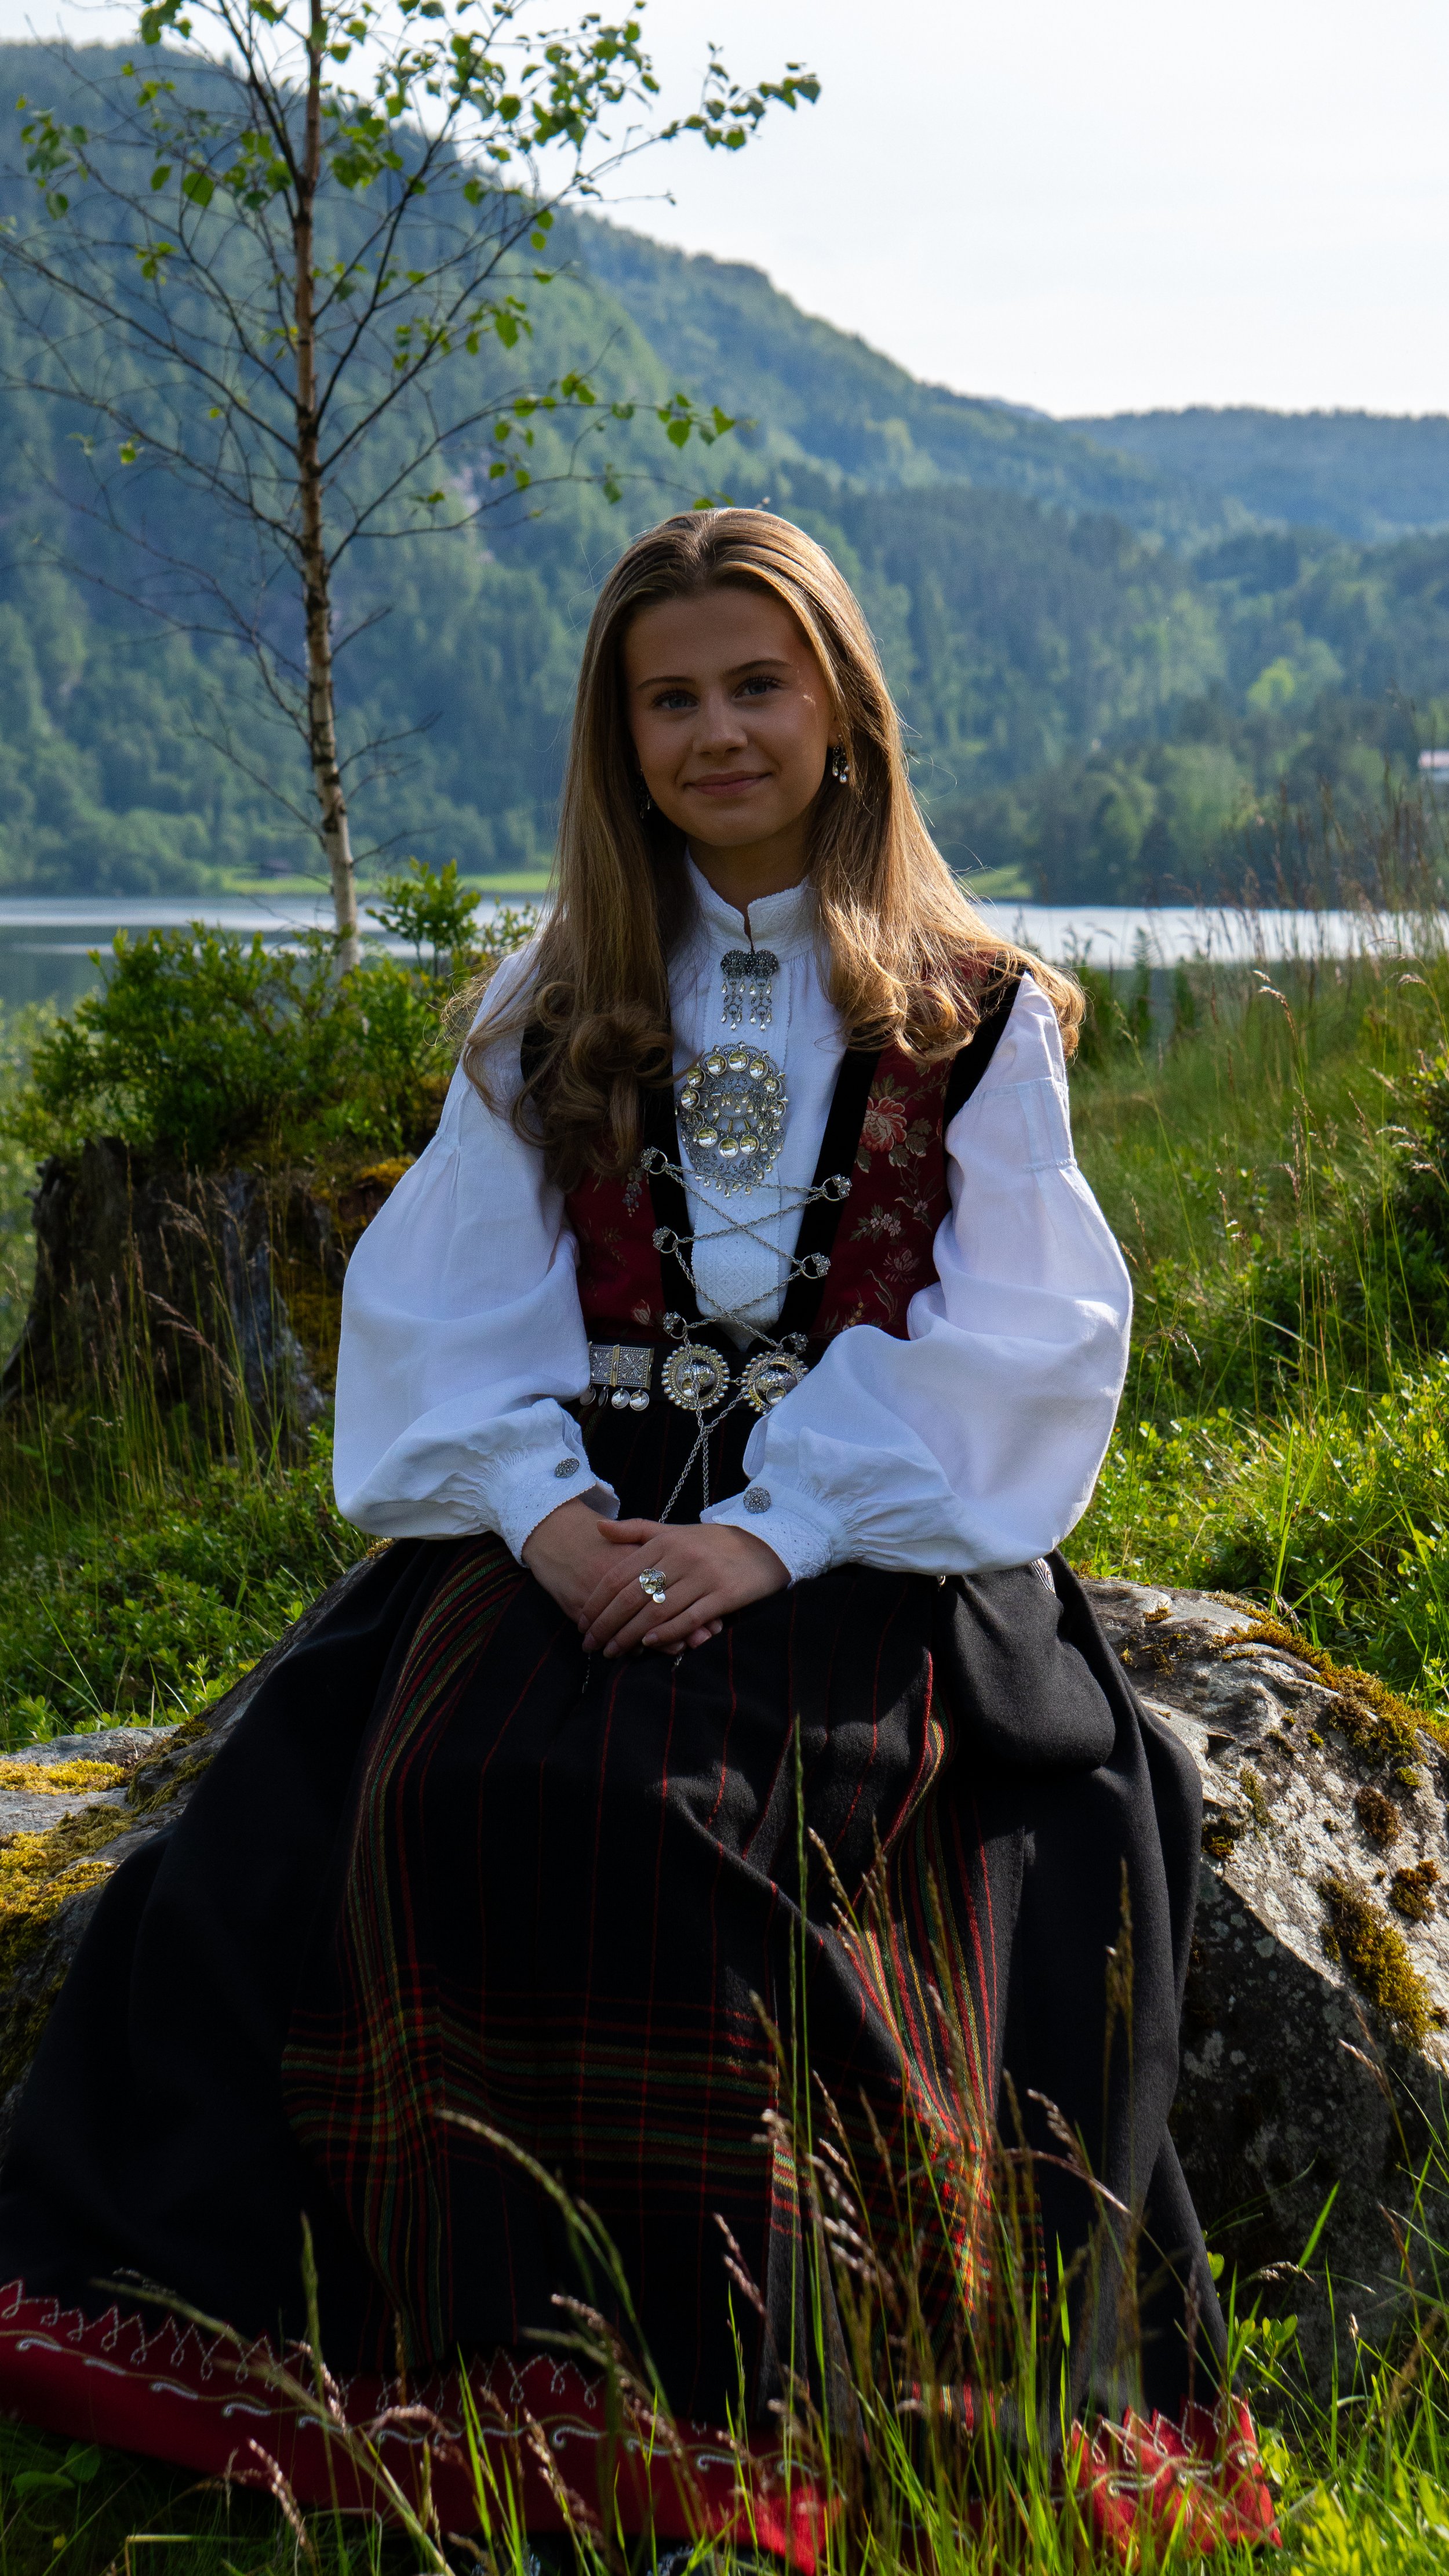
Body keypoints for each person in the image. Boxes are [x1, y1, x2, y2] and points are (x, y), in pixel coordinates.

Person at [0, 511, 1272, 2553]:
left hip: (866, 1538)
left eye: (757, 684)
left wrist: (781, 1531)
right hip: (581, 1511)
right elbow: (450, 1305)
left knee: (736, 1820)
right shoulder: (554, 999)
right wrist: (543, 1517)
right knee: (453, 1779)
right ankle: (490, 2361)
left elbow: (1023, 1333)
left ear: (843, 709)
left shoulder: (974, 1012)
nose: (716, 731)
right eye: (668, 699)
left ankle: (754, 2386)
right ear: (620, 739)